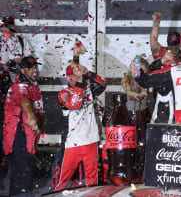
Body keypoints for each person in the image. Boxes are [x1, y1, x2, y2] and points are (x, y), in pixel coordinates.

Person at [52, 56, 106, 191]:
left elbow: (102, 84)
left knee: (92, 183)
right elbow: (74, 105)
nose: (71, 78)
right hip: (72, 143)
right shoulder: (63, 93)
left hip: (91, 141)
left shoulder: (88, 89)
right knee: (61, 182)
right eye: (69, 76)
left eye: (74, 75)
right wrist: (80, 82)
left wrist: (88, 73)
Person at [3, 56, 43, 196]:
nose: (34, 70)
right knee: (22, 182)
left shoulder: (32, 85)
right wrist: (31, 116)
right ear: (22, 70)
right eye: (30, 68)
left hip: (27, 140)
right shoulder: (20, 86)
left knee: (24, 179)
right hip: (19, 139)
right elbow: (24, 99)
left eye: (35, 67)